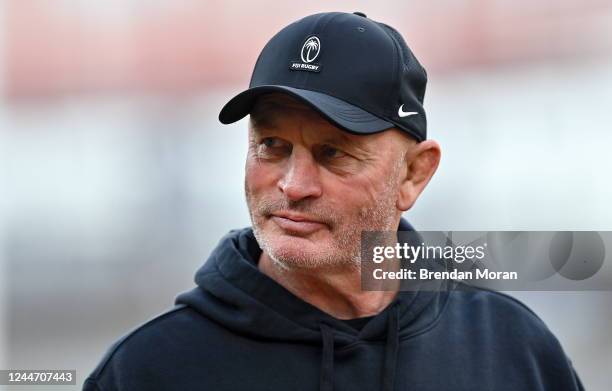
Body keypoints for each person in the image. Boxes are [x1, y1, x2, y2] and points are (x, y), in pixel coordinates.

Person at [84, 11, 584, 391]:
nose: (293, 185)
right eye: (272, 147)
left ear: (414, 174)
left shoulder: (511, 349)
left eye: (333, 153)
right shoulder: (150, 370)